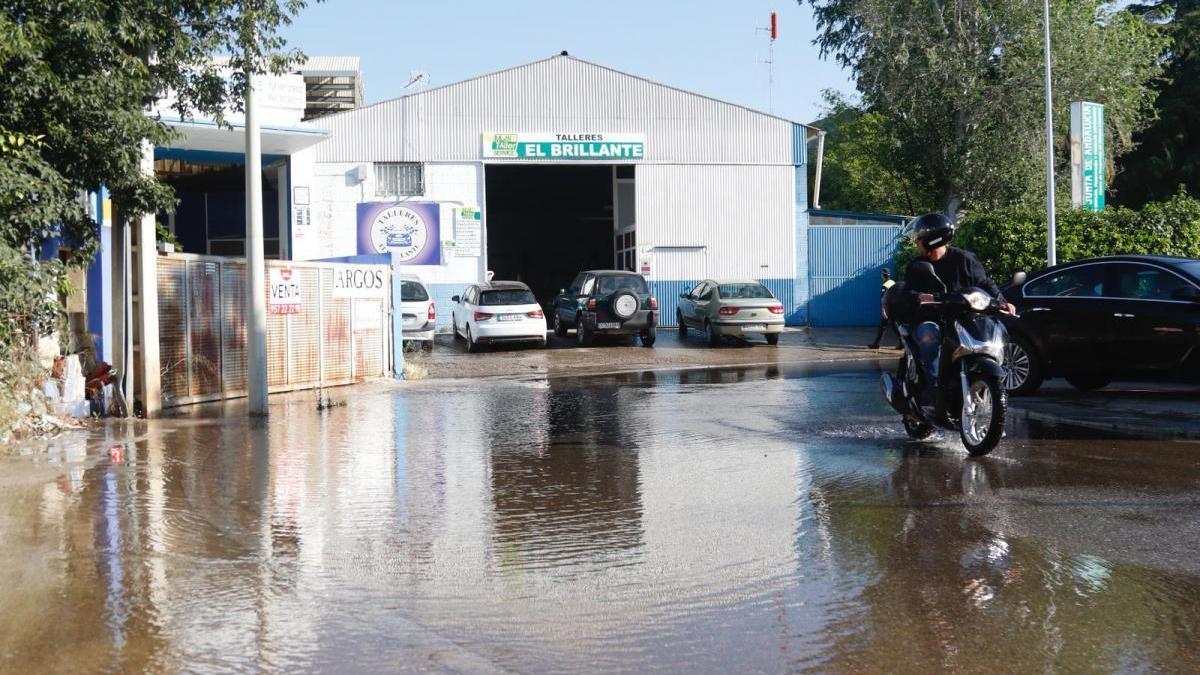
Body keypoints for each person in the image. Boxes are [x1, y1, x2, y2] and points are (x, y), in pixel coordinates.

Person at [903, 213, 1016, 393]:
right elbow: (909, 291)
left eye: (919, 239)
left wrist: (1002, 301)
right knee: (929, 338)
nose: (916, 242)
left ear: (931, 240)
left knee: (990, 333)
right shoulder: (917, 265)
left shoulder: (965, 259)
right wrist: (919, 297)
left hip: (964, 316)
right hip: (933, 317)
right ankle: (933, 387)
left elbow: (984, 282)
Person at [867, 269, 902, 350]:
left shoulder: (885, 285)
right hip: (894, 307)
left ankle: (876, 344)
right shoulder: (893, 282)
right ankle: (902, 342)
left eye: (882, 274)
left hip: (888, 308)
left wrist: (883, 310)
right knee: (894, 326)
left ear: (883, 275)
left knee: (883, 326)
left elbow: (883, 298)